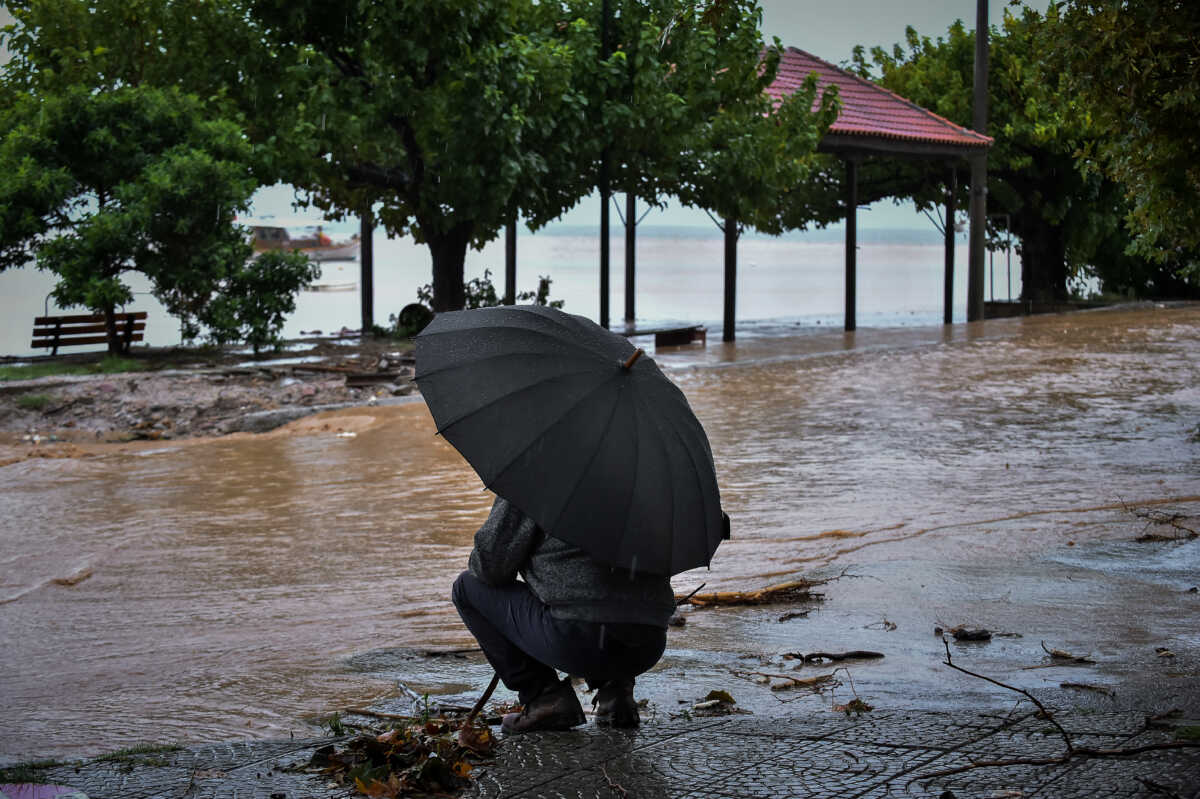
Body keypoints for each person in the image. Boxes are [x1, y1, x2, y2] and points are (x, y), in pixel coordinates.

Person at [451, 496, 675, 733]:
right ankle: (615, 691)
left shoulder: (538, 474)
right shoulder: (644, 481)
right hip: (647, 644)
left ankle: (544, 697)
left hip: (581, 641)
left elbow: (488, 568)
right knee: (610, 593)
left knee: (466, 587)